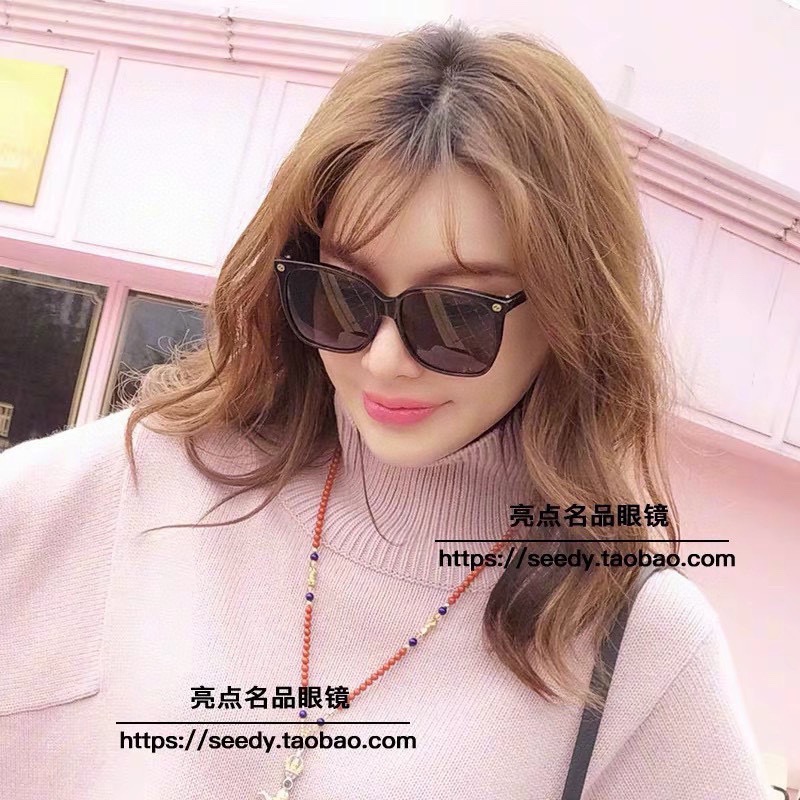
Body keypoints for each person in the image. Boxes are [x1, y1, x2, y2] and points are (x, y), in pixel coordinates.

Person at [0, 19, 771, 800]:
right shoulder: (128, 484)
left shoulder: (639, 650)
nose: (383, 359)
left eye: (456, 314)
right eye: (342, 295)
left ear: (571, 313)